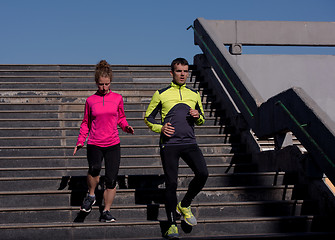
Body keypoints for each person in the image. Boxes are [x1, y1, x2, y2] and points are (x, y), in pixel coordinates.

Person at [144, 58, 208, 239]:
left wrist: (197, 116)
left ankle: (185, 204)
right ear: (171, 73)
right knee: (171, 183)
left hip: (190, 143)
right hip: (169, 144)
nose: (183, 74)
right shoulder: (161, 93)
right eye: (179, 71)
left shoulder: (194, 94)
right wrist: (161, 128)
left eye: (186, 71)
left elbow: (202, 118)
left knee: (203, 173)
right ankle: (171, 224)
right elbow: (148, 118)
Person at [73, 60, 134, 222]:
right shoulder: (90, 100)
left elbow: (121, 117)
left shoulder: (117, 98)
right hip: (94, 142)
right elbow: (85, 122)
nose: (104, 87)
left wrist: (125, 126)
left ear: (110, 82)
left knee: (111, 179)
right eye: (101, 84)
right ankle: (91, 195)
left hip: (113, 143)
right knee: (94, 169)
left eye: (107, 84)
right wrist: (80, 140)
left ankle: (106, 211)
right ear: (96, 83)